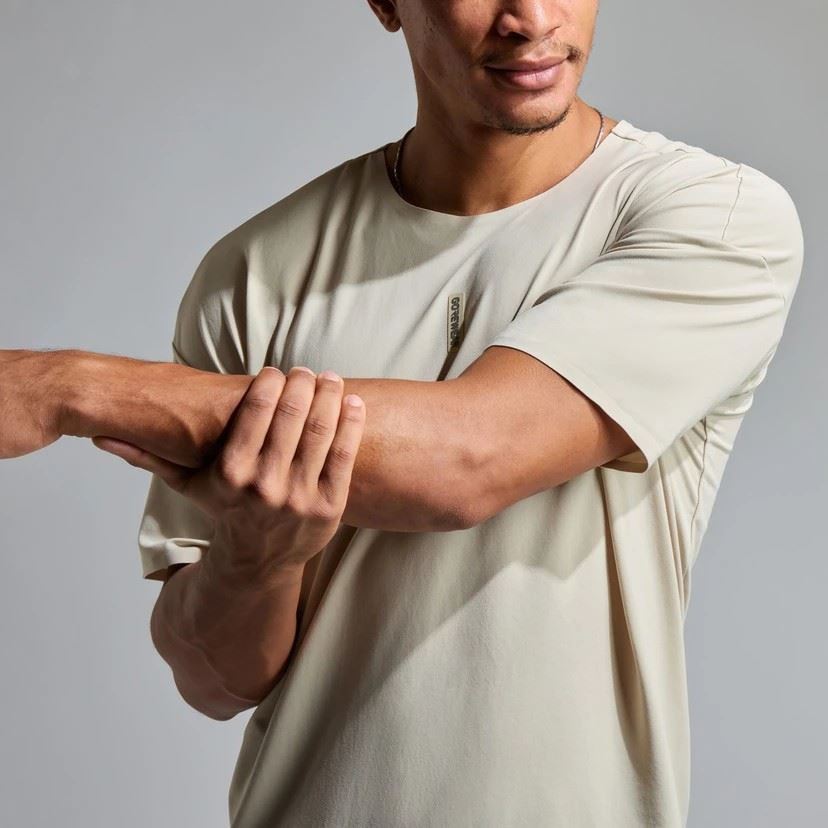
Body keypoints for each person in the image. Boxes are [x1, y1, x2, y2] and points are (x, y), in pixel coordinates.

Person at [0, 1, 804, 826]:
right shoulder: (255, 273)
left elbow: (470, 457)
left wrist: (68, 388)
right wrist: (255, 558)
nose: (531, 17)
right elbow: (211, 682)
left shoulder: (715, 219)